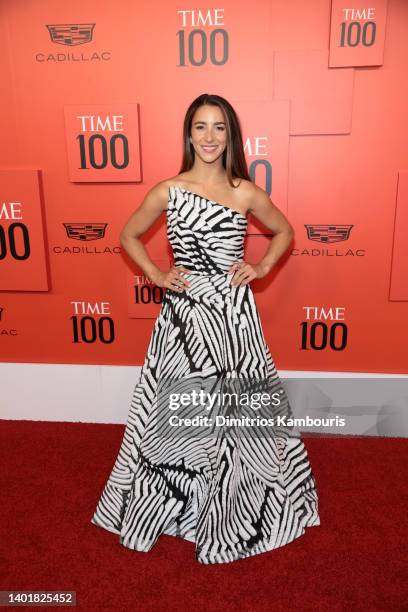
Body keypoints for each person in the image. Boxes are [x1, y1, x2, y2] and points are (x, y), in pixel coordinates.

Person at [91, 93, 320, 564]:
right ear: (188, 134)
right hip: (183, 320)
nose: (210, 137)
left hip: (234, 319)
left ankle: (236, 507)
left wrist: (260, 268)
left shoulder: (245, 191)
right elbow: (127, 235)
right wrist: (156, 275)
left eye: (219, 127)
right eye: (201, 126)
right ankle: (177, 504)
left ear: (230, 135)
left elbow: (285, 231)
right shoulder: (167, 190)